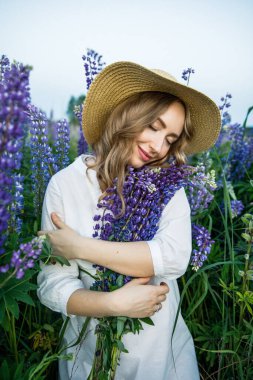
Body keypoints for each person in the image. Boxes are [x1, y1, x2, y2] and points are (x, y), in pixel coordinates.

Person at [37, 61, 221, 380]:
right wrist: (112, 304)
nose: (158, 146)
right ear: (128, 114)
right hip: (89, 348)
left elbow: (174, 258)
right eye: (154, 126)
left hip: (160, 354)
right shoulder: (65, 184)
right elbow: (53, 285)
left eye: (170, 138)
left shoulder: (166, 184)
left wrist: (80, 246)